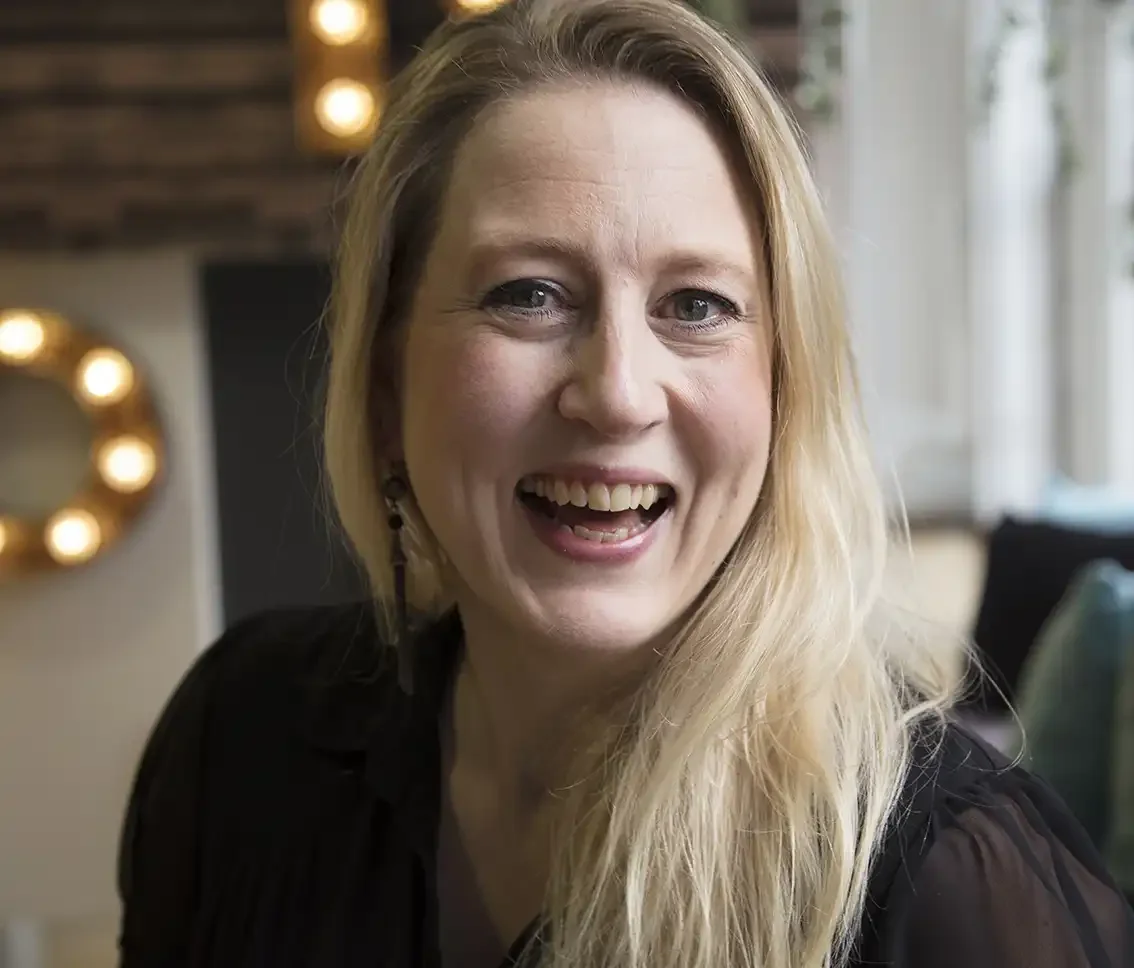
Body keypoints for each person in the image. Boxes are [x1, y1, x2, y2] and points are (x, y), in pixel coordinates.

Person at [117, 0, 1133, 966]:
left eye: (696, 304)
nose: (616, 392)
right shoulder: (238, 738)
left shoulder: (942, 871)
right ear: (386, 387)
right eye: (530, 294)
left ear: (785, 392)